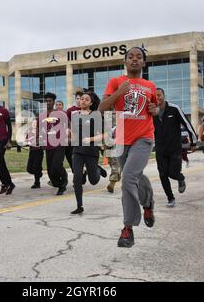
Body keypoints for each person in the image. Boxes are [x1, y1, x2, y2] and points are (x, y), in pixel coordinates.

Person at [99, 47, 158, 248]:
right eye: (130, 57)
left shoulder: (149, 85)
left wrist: (155, 109)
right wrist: (119, 92)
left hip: (144, 138)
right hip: (123, 139)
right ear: (125, 61)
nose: (134, 60)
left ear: (143, 63)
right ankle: (148, 202)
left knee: (128, 178)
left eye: (138, 57)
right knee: (135, 176)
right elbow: (102, 108)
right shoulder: (116, 82)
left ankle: (128, 228)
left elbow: (155, 108)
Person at [153, 88, 197, 207]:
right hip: (160, 149)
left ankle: (180, 178)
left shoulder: (174, 108)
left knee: (173, 172)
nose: (157, 98)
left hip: (175, 148)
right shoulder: (152, 112)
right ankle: (170, 198)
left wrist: (193, 142)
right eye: (155, 96)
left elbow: (187, 125)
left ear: (164, 95)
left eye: (159, 95)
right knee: (162, 174)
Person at [70, 92, 107, 214]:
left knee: (93, 181)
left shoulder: (95, 115)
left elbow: (103, 134)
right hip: (77, 151)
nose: (83, 101)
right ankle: (79, 206)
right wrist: (69, 134)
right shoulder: (75, 116)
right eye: (81, 99)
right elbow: (74, 133)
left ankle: (98, 169)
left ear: (91, 103)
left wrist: (90, 139)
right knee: (77, 178)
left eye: (86, 99)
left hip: (91, 151)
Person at [38, 92, 68, 196]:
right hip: (48, 146)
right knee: (50, 171)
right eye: (46, 101)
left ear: (53, 102)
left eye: (49, 101)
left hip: (59, 144)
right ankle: (57, 183)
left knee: (56, 165)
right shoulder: (42, 115)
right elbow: (39, 129)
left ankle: (63, 182)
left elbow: (68, 126)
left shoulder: (60, 114)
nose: (47, 103)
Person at [65, 90, 84, 172]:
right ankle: (77, 173)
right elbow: (65, 122)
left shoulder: (88, 110)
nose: (79, 100)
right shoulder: (70, 110)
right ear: (75, 99)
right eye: (77, 98)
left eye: (81, 98)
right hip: (73, 138)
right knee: (72, 157)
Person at [26, 118, 44, 189]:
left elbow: (43, 141)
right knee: (29, 169)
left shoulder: (41, 132)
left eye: (36, 123)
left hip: (39, 151)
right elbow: (27, 140)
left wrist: (39, 142)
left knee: (36, 167)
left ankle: (37, 183)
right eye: (33, 123)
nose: (34, 124)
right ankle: (39, 172)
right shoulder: (29, 132)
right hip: (32, 151)